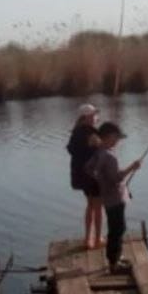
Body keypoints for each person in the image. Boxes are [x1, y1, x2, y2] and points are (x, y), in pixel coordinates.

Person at [86, 121, 141, 274]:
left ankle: (115, 257)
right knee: (118, 229)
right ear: (109, 136)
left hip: (108, 198)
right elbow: (116, 178)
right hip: (115, 199)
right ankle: (114, 264)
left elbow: (89, 169)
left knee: (115, 228)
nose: (118, 141)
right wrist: (133, 167)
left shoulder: (99, 152)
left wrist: (100, 179)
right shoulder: (109, 156)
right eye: (116, 137)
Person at [66, 103, 103, 249]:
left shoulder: (75, 132)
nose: (96, 117)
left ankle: (88, 239)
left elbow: (74, 151)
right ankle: (98, 239)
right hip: (93, 176)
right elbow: (102, 150)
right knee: (98, 207)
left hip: (81, 176)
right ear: (87, 117)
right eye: (93, 115)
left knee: (90, 205)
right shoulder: (91, 133)